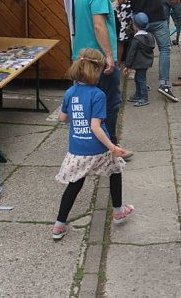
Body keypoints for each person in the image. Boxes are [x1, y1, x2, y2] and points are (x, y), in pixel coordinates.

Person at [52, 48, 133, 241]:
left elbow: (62, 117)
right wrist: (112, 147)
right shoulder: (98, 95)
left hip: (77, 149)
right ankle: (118, 210)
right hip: (97, 148)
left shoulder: (70, 92)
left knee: (74, 184)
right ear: (96, 71)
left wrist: (76, 116)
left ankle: (59, 225)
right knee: (116, 169)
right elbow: (95, 127)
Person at [73, 0, 128, 154]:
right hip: (98, 60)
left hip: (82, 57)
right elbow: (99, 26)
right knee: (110, 103)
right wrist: (110, 58)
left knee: (87, 103)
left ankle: (87, 141)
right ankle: (110, 144)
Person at [118, 0, 177, 102]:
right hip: (158, 16)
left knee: (139, 51)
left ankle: (142, 87)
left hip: (139, 19)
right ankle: (164, 84)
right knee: (164, 49)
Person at [122, 12, 155, 107]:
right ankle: (138, 94)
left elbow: (131, 54)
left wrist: (127, 66)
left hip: (140, 63)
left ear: (135, 26)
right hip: (146, 62)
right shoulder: (149, 36)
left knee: (141, 80)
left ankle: (144, 97)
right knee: (138, 78)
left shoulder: (136, 40)